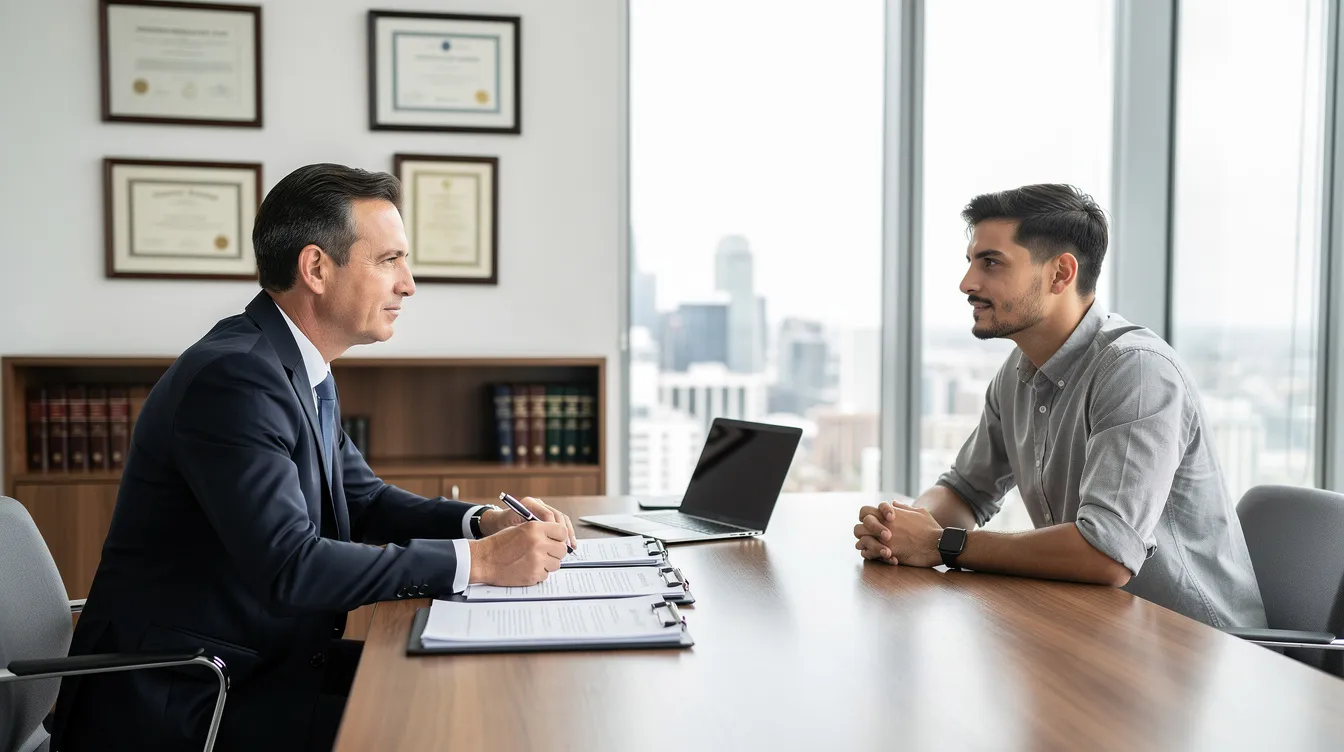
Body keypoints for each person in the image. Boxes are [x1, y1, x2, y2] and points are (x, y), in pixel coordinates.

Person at [51, 163, 578, 751]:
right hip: (186, 702)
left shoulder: (293, 364)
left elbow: (363, 497)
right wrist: (476, 563)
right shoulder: (238, 377)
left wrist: (480, 521)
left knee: (466, 697)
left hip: (258, 668)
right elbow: (290, 566)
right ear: (317, 268)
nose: (408, 284)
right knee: (447, 727)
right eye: (389, 260)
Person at [853, 183, 1266, 629]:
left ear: (1060, 274)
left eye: (990, 262)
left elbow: (1107, 553)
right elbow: (965, 491)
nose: (967, 283)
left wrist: (941, 544)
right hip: (1101, 629)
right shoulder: (1018, 372)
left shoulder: (1137, 371)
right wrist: (899, 529)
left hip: (1202, 650)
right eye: (971, 262)